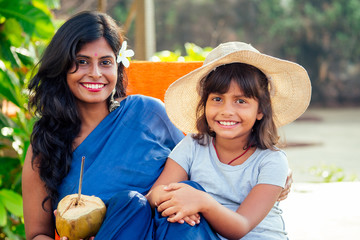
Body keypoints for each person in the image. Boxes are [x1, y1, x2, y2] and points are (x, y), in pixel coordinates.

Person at [22, 11, 292, 240]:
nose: (95, 73)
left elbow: (207, 158)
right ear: (61, 65)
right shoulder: (47, 145)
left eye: (105, 62)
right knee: (131, 203)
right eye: (81, 62)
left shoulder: (148, 112)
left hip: (182, 232)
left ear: (117, 67)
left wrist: (265, 166)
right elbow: (37, 234)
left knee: (188, 193)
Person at [146, 42, 311, 239]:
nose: (227, 110)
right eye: (217, 99)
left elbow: (240, 226)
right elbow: (153, 195)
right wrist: (175, 200)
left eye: (241, 101)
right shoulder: (193, 146)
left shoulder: (272, 161)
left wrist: (201, 202)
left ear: (260, 110)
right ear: (204, 104)